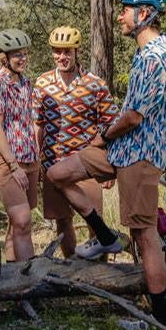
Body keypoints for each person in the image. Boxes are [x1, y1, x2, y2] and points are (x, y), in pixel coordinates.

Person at [47, 0, 166, 326]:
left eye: (125, 10)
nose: (119, 16)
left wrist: (102, 135)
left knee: (145, 235)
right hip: (121, 150)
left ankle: (161, 320)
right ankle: (105, 236)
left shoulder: (156, 58)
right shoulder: (146, 54)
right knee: (58, 174)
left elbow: (133, 117)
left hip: (139, 156)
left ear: (144, 13)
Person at [33, 26, 118, 258]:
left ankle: (100, 271)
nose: (62, 57)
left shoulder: (95, 84)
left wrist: (109, 166)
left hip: (86, 164)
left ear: (76, 51)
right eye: (57, 51)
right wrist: (36, 161)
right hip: (52, 162)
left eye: (67, 52)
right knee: (62, 220)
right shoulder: (42, 84)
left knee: (95, 219)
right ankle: (73, 267)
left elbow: (112, 124)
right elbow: (37, 124)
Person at [0, 29, 39, 262]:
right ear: (4, 57)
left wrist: (37, 159)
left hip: (29, 158)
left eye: (25, 54)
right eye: (17, 55)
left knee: (17, 222)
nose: (23, 58)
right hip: (7, 160)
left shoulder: (26, 83)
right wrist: (13, 166)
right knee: (23, 220)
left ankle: (13, 279)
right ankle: (29, 282)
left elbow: (29, 121)